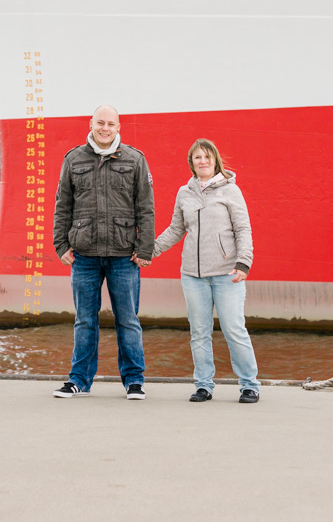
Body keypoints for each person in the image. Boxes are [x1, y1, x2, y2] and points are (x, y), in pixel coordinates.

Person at [52, 105, 155, 399]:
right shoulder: (73, 159)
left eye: (111, 123)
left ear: (118, 127)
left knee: (128, 320)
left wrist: (144, 248)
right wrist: (61, 245)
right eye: (100, 122)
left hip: (124, 255)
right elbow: (62, 205)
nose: (105, 128)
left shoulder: (135, 159)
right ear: (91, 124)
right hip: (84, 255)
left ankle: (134, 381)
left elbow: (146, 208)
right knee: (85, 320)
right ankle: (79, 381)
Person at [153, 138, 260, 403]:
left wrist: (243, 263)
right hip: (193, 276)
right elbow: (176, 229)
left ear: (215, 161)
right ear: (192, 163)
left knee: (234, 329)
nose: (203, 161)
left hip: (227, 274)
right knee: (199, 332)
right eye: (198, 157)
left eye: (207, 157)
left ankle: (249, 385)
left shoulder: (231, 190)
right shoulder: (184, 193)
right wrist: (150, 251)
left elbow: (243, 229)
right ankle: (203, 385)